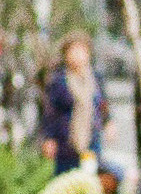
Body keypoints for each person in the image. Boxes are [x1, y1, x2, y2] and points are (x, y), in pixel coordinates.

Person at [38, 34, 110, 177]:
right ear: (66, 55)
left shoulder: (96, 78)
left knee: (90, 182)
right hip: (66, 143)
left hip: (91, 140)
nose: (78, 55)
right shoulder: (59, 81)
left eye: (81, 51)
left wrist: (108, 122)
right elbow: (50, 112)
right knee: (66, 183)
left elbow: (103, 104)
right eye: (73, 51)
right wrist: (48, 138)